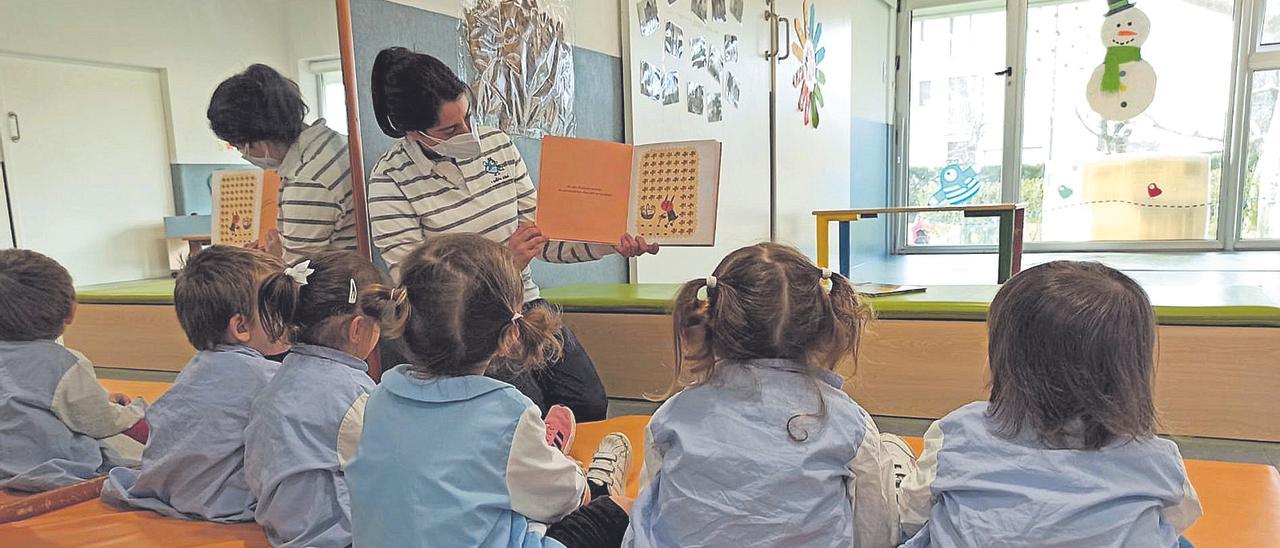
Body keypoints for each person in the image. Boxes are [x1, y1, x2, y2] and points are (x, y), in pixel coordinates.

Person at [366, 47, 658, 421]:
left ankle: (573, 478)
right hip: (467, 328)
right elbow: (418, 286)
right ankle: (541, 476)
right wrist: (504, 262)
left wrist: (608, 241)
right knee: (526, 416)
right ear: (413, 133)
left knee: (587, 401)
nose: (469, 134)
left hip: (526, 306)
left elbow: (545, 239)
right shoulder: (390, 180)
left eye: (468, 117)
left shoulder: (499, 148)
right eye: (451, 130)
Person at [348, 234, 634, 548]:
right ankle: (596, 483)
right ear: (509, 336)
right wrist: (582, 487)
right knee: (618, 508)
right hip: (542, 486)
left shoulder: (379, 396)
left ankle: (538, 459)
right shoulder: (507, 413)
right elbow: (563, 501)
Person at [899, 261, 1202, 547]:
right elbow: (1180, 517)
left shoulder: (958, 432)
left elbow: (912, 515)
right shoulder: (1155, 457)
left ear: (1004, 361)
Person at [623, 243, 901, 548]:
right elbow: (878, 534)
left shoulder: (671, 417)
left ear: (713, 321)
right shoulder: (851, 424)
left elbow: (646, 523)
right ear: (822, 327)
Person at [101, 246, 287, 522]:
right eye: (281, 308)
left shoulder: (197, 367)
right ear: (241, 327)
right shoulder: (265, 376)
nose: (293, 319)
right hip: (221, 503)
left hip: (173, 492)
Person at [244, 251, 404, 547]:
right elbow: (394, 468)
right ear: (358, 329)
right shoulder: (354, 393)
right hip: (336, 536)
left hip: (279, 527)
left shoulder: (276, 380)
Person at [0, 249, 148, 493]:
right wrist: (136, 411)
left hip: (5, 465)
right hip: (53, 470)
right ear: (70, 312)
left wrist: (101, 397)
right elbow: (101, 421)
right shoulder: (62, 363)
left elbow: (23, 399)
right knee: (126, 444)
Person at [208, 64, 357, 263]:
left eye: (238, 147)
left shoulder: (307, 180)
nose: (243, 155)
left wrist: (270, 260)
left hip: (337, 288)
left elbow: (298, 276)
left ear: (258, 139)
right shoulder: (333, 143)